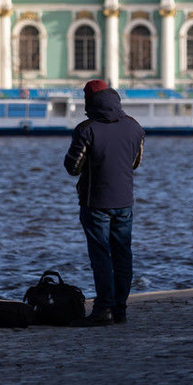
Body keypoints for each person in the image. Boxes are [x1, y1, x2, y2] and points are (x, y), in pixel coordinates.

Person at [64, 79, 145, 326]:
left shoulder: (86, 129)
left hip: (95, 202)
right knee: (123, 255)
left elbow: (73, 167)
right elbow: (135, 162)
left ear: (89, 101)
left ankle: (102, 310)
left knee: (101, 257)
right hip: (124, 202)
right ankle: (120, 310)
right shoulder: (134, 127)